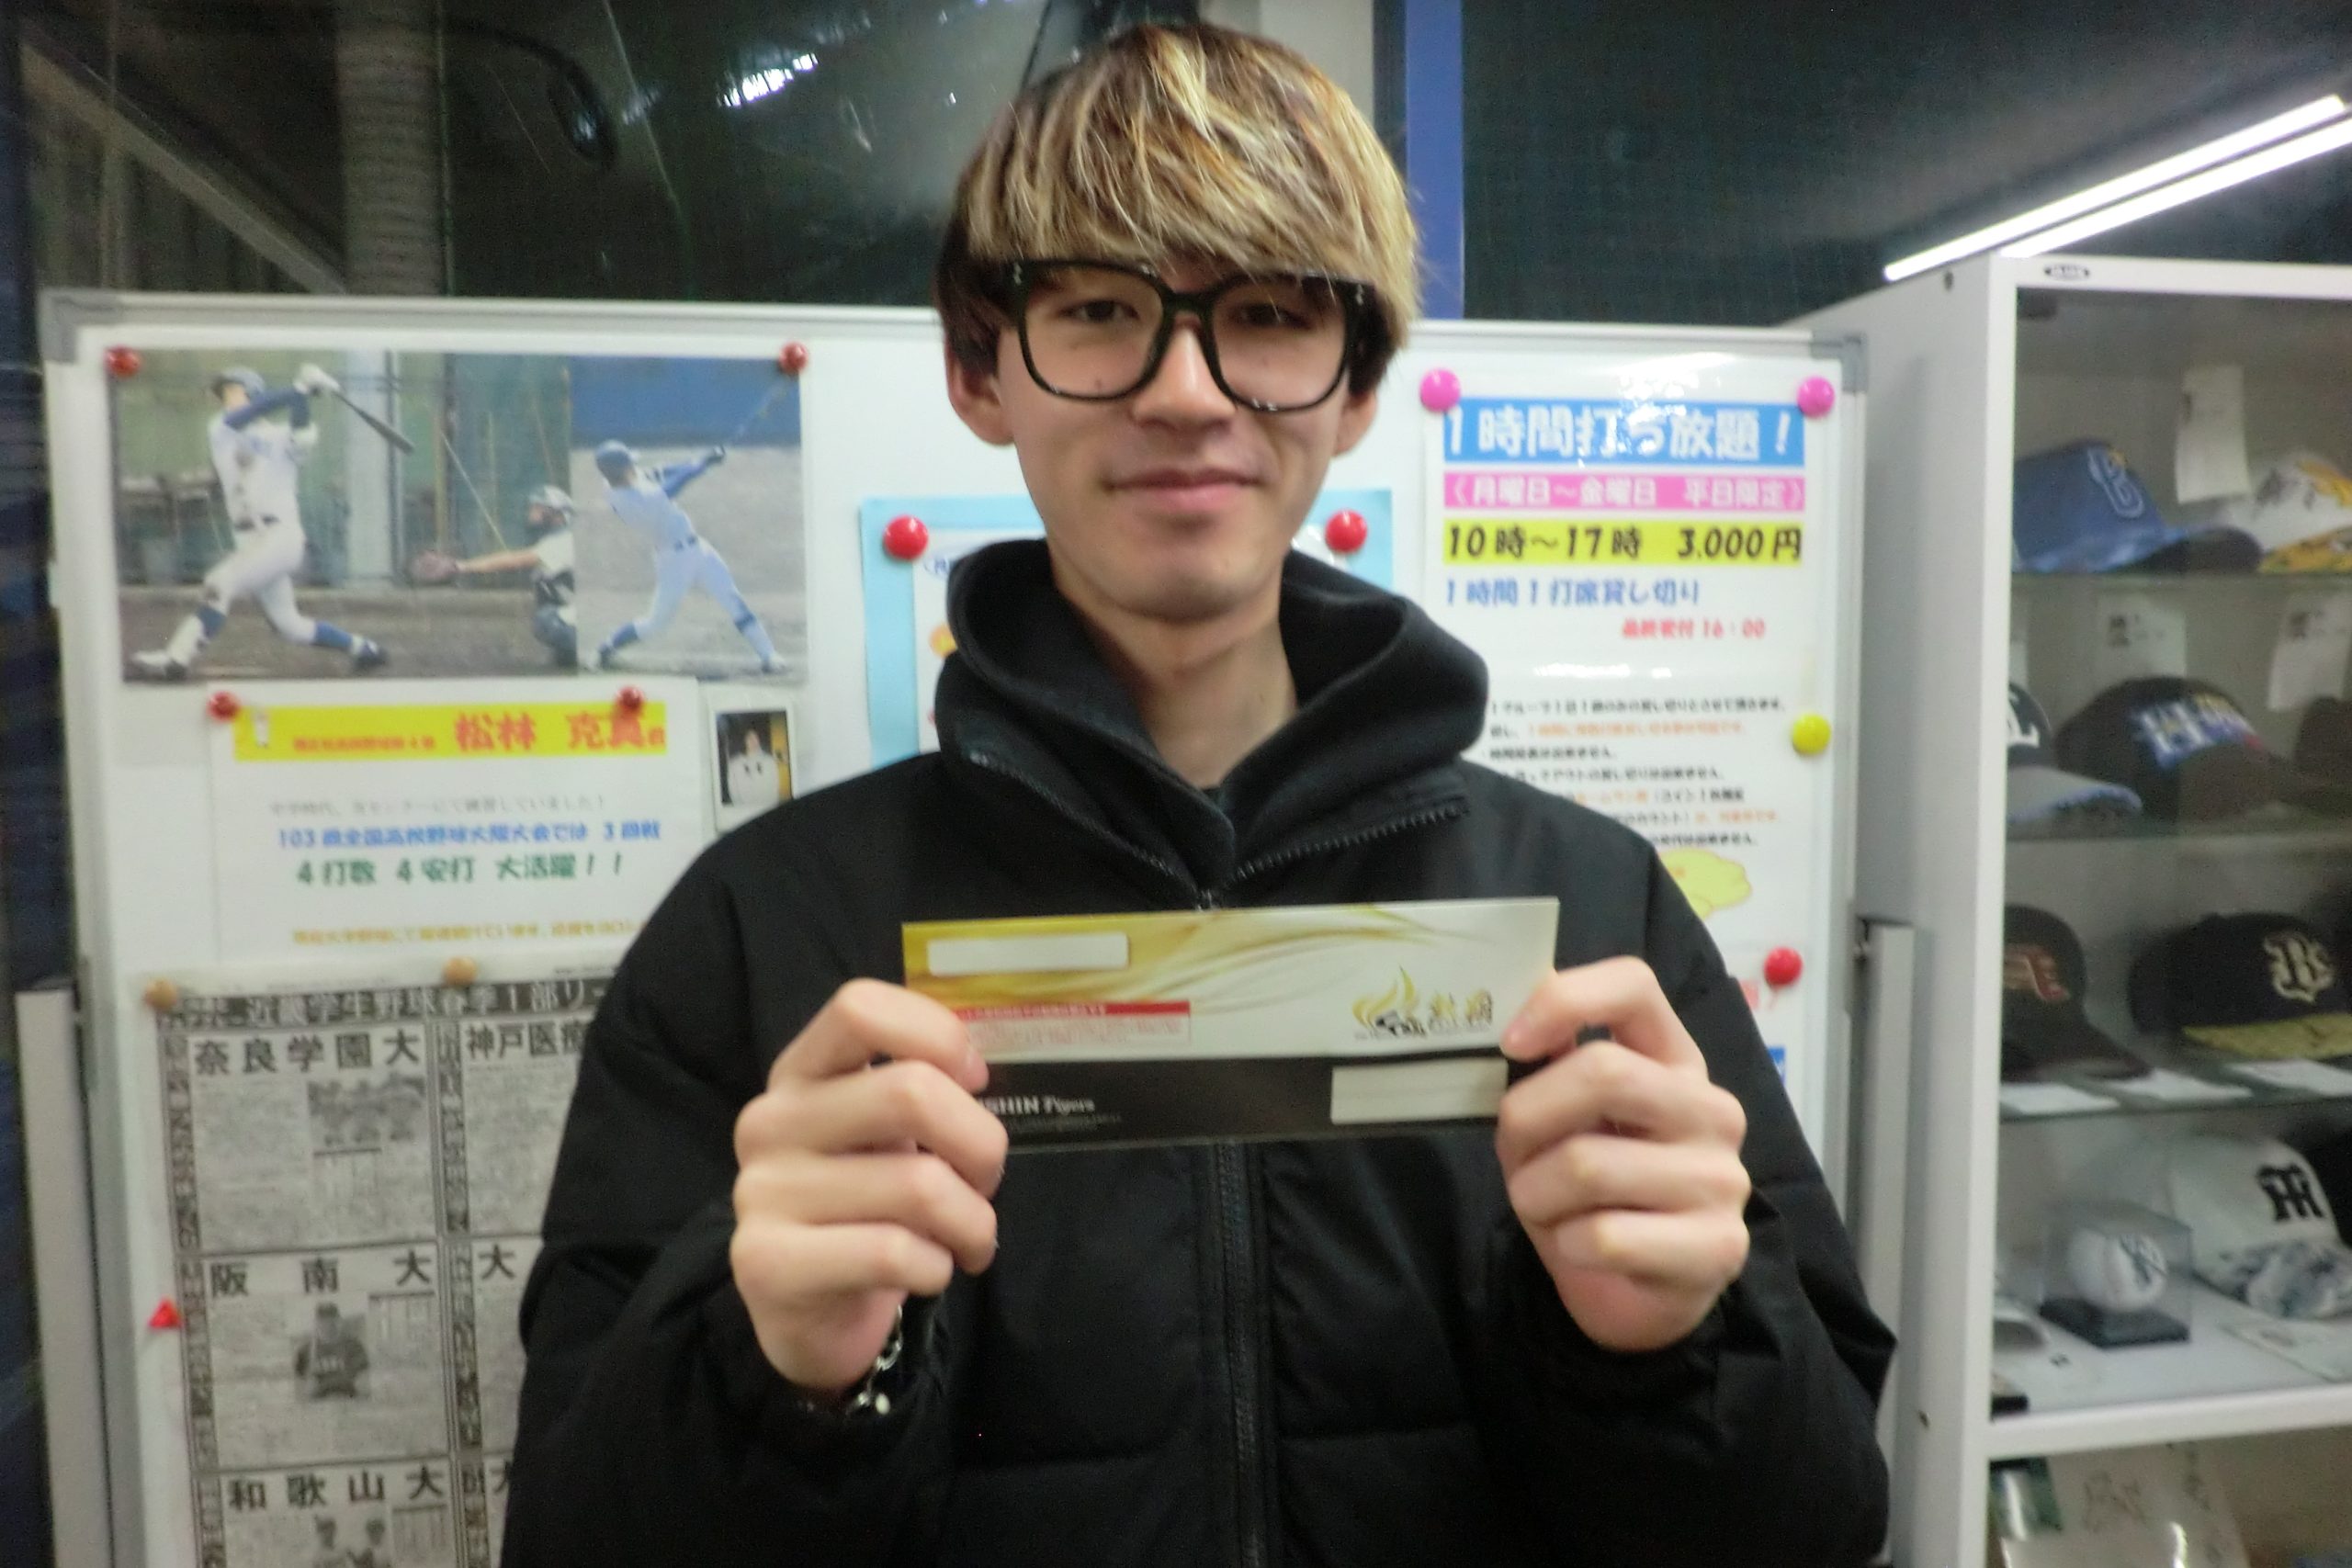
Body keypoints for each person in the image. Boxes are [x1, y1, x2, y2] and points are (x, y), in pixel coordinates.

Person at [507, 24, 1890, 1567]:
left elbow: (1825, 1525)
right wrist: (777, 1372)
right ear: (980, 369)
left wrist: (1673, 1349)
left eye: (1268, 314)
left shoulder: (1590, 908)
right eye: (1101, 311)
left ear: (1356, 383)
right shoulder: (766, 930)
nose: (1185, 390)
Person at [130, 365, 389, 680]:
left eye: (234, 391)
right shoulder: (221, 429)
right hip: (249, 539)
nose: (227, 398)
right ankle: (365, 648)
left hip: (281, 535)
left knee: (219, 583)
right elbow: (253, 412)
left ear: (252, 392)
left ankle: (177, 659)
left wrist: (301, 396)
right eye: (225, 393)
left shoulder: (280, 434)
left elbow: (301, 431)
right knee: (289, 625)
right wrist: (298, 389)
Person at [583, 440, 783, 673]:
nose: (633, 467)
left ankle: (769, 656)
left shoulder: (615, 481)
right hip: (673, 562)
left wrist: (699, 459)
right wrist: (703, 464)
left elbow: (662, 472)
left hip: (699, 550)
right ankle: (605, 648)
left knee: (733, 600)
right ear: (619, 470)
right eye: (628, 464)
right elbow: (677, 483)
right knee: (655, 624)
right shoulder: (632, 499)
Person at [434, 484, 579, 666]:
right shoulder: (559, 539)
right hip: (583, 613)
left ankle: (593, 653)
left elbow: (513, 561)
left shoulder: (563, 540)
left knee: (547, 621)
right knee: (548, 608)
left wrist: (461, 566)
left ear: (553, 514)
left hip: (590, 618)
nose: (531, 515)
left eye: (537, 509)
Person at [294, 1302, 368, 1400]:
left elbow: (364, 1382)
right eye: (323, 1321)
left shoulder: (354, 1346)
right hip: (318, 1402)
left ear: (339, 1321)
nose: (328, 1325)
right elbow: (299, 1389)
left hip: (348, 1399)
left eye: (332, 1320)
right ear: (316, 1323)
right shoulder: (305, 1350)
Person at [724, 722, 779, 808]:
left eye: (756, 737)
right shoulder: (735, 764)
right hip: (744, 808)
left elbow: (774, 787)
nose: (753, 741)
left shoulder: (769, 761)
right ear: (744, 740)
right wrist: (740, 808)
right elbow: (733, 790)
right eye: (749, 738)